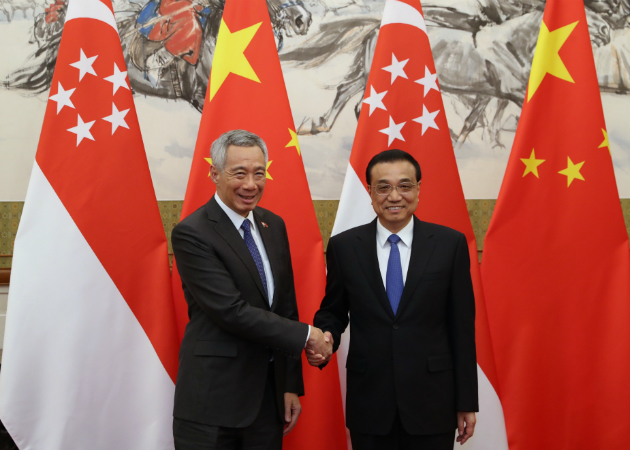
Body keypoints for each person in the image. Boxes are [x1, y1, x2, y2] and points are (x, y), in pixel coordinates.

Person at [171, 129, 331, 450]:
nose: (251, 184)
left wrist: (289, 385)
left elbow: (284, 306)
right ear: (214, 173)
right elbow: (232, 312)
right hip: (212, 405)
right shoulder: (192, 233)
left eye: (260, 173)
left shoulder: (273, 225)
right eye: (239, 173)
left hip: (265, 403)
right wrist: (308, 335)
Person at [310, 149, 478, 450]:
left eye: (404, 185)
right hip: (370, 400)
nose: (394, 196)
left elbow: (462, 328)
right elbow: (333, 311)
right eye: (383, 187)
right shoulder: (344, 247)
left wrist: (466, 401)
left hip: (433, 402)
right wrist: (324, 336)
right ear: (370, 193)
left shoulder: (449, 245)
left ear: (418, 190)